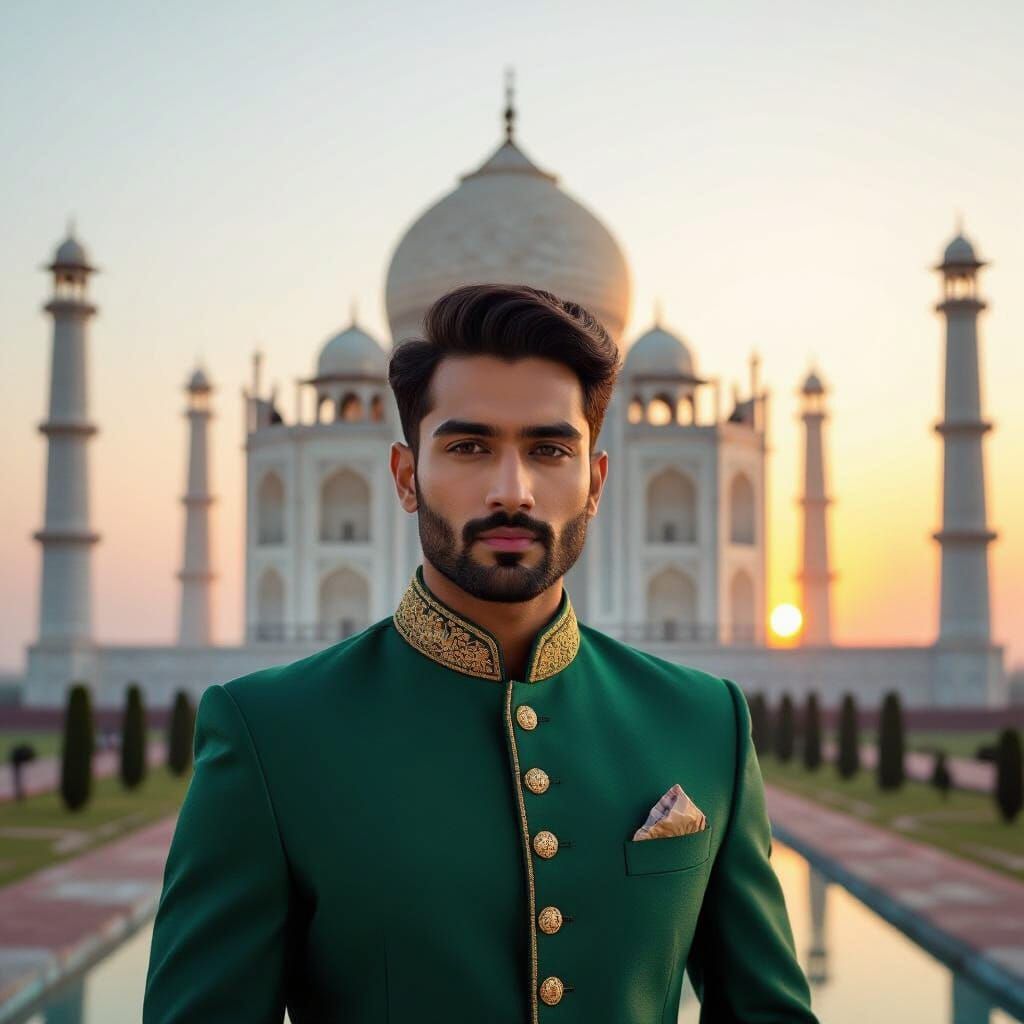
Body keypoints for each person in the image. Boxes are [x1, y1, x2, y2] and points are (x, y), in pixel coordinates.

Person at [143, 283, 819, 1023]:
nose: (512, 490)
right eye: (469, 447)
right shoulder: (273, 734)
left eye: (548, 448)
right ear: (406, 477)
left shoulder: (700, 721)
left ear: (594, 482)